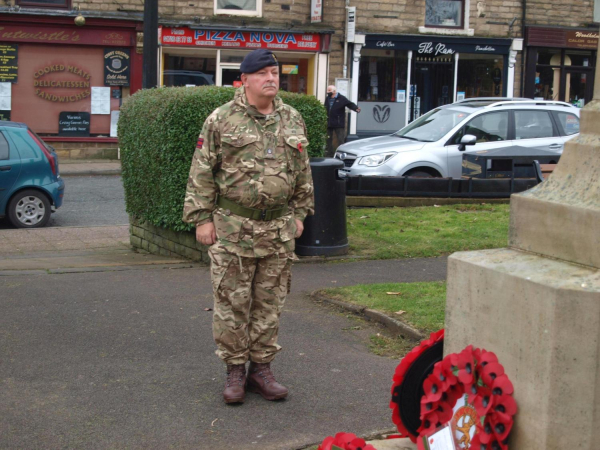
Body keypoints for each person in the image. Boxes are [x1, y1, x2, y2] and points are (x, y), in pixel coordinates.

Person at [182, 49, 314, 405]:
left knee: (269, 304)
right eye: (264, 74)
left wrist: (300, 213)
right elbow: (201, 171)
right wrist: (202, 219)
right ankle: (235, 371)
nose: (272, 79)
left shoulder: (292, 119)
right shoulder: (221, 119)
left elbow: (302, 171)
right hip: (232, 229)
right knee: (231, 303)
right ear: (245, 80)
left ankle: (262, 369)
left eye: (275, 72)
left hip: (277, 231)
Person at [324, 85, 361, 157]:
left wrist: (356, 108)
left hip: (338, 123)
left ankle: (341, 154)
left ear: (334, 91)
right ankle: (329, 154)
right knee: (328, 139)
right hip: (329, 122)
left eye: (329, 91)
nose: (328, 93)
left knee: (340, 139)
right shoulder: (327, 99)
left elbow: (349, 104)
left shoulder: (341, 98)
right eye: (327, 91)